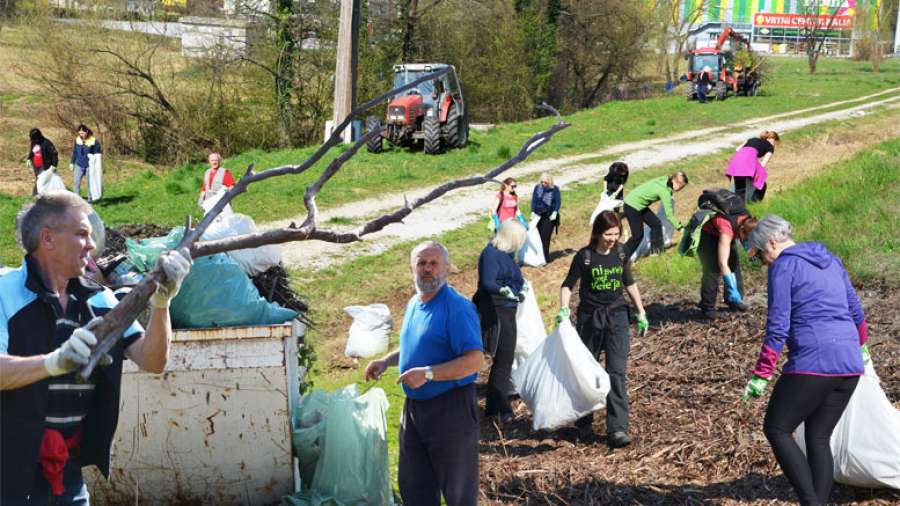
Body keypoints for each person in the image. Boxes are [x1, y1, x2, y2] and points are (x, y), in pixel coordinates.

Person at [0, 191, 192, 504]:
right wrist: (54, 363)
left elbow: (153, 360)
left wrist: (161, 303)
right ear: (48, 239)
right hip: (7, 473)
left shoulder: (101, 299)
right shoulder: (4, 291)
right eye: (81, 234)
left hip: (69, 474)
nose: (91, 245)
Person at [742, 215, 869, 506]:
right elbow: (857, 313)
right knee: (818, 436)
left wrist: (762, 374)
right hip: (849, 364)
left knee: (776, 428)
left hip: (814, 361)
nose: (764, 263)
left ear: (772, 243)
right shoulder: (832, 260)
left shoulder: (784, 267)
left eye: (761, 255)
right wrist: (860, 348)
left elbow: (778, 326)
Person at [364, 241, 483, 506]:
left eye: (433, 263)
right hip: (415, 411)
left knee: (458, 493)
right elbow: (416, 346)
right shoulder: (414, 304)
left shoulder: (457, 308)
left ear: (447, 268)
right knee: (414, 486)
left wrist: (428, 374)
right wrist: (386, 360)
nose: (427, 269)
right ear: (412, 269)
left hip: (451, 409)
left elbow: (475, 360)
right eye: (421, 263)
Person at [557, 210, 649, 448]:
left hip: (617, 316)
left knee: (616, 372)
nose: (612, 238)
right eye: (608, 234)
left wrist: (641, 311)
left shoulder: (620, 253)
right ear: (598, 233)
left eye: (616, 234)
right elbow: (567, 286)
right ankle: (584, 421)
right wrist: (564, 310)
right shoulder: (584, 256)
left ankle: (617, 428)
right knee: (586, 370)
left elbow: (629, 282)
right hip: (590, 318)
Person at [474, 220, 526, 423]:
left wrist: (521, 289)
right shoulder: (490, 254)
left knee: (506, 359)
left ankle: (494, 407)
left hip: (509, 310)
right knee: (503, 359)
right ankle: (499, 408)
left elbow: (516, 280)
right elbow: (488, 281)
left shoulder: (508, 257)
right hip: (496, 310)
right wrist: (503, 290)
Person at [697, 209, 757, 320]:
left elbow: (747, 243)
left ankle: (734, 301)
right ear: (741, 231)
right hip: (708, 236)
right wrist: (731, 286)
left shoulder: (748, 219)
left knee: (734, 264)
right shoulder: (727, 229)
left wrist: (755, 258)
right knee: (712, 270)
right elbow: (723, 264)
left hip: (729, 231)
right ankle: (707, 308)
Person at [621, 171, 688, 260]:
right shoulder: (664, 191)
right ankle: (621, 257)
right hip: (632, 206)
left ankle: (656, 252)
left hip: (637, 203)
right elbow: (669, 215)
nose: (681, 189)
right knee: (637, 236)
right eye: (681, 186)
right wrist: (681, 228)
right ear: (675, 183)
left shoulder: (664, 179)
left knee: (656, 224)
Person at [726, 130, 780, 203]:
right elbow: (763, 164)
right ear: (774, 140)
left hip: (736, 160)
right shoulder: (770, 147)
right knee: (762, 184)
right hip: (747, 163)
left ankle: (735, 207)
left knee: (740, 188)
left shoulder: (752, 139)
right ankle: (754, 203)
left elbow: (738, 149)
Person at [530, 173, 561, 262]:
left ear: (549, 182)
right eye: (542, 182)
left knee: (545, 237)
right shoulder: (537, 188)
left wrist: (555, 212)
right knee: (538, 237)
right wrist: (532, 211)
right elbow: (534, 200)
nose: (543, 184)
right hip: (538, 215)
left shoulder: (554, 189)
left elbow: (558, 202)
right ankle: (538, 258)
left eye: (545, 183)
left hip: (549, 217)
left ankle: (545, 258)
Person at [69, 125, 102, 203]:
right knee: (76, 182)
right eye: (79, 133)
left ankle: (90, 199)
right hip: (79, 164)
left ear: (86, 132)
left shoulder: (93, 141)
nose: (81, 134)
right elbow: (75, 152)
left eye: (82, 133)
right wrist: (72, 162)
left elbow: (97, 154)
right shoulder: (77, 140)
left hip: (89, 166)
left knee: (89, 184)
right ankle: (76, 199)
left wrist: (95, 164)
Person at [23, 128, 59, 196]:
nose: (33, 140)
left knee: (41, 181)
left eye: (34, 138)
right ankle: (38, 195)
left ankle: (38, 195)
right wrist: (29, 158)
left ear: (38, 137)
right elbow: (32, 151)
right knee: (38, 180)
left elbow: (54, 154)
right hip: (36, 165)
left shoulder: (47, 143)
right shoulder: (34, 142)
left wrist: (54, 165)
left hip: (45, 165)